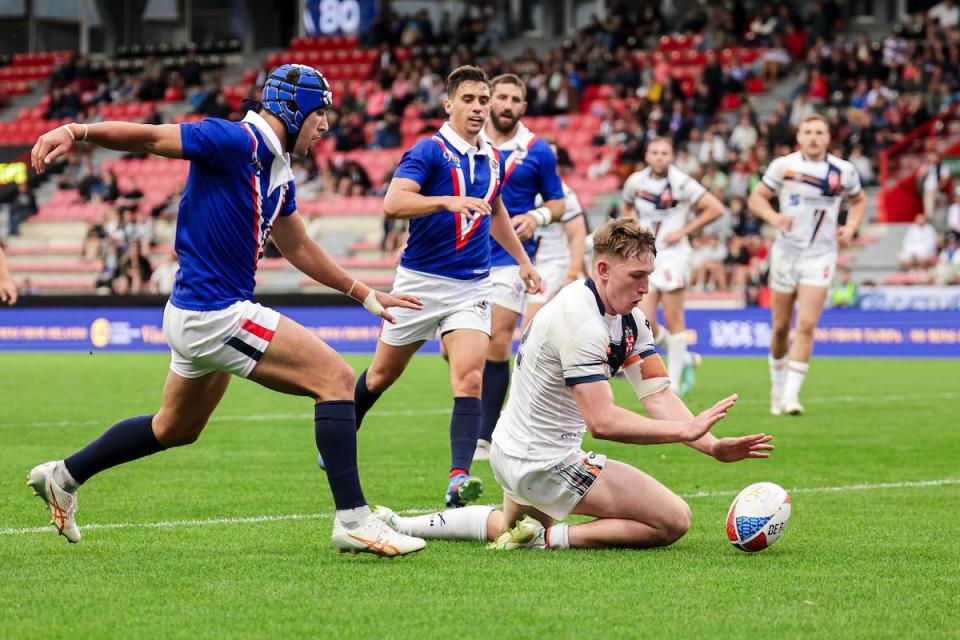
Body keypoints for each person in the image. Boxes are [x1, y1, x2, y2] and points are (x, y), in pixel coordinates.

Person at [25, 64, 427, 556]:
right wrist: (74, 129)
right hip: (215, 312)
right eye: (321, 112)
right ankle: (354, 520)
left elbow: (297, 244)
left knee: (174, 428)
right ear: (292, 108)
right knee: (338, 380)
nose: (327, 124)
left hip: (196, 313)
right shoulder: (236, 140)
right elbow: (152, 140)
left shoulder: (277, 167)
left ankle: (64, 475)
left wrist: (364, 292)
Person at [374, 218, 774, 550]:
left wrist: (712, 447)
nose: (646, 288)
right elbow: (602, 421)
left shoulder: (630, 320)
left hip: (513, 452)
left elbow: (658, 394)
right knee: (672, 520)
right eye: (636, 276)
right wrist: (683, 432)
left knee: (508, 526)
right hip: (545, 463)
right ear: (602, 270)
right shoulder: (580, 320)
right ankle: (547, 540)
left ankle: (403, 523)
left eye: (649, 276)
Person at [346, 66, 542, 508]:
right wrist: (445, 201)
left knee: (470, 377)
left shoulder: (490, 156)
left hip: (471, 285)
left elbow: (494, 212)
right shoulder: (428, 152)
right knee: (381, 375)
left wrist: (524, 262)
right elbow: (393, 203)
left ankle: (458, 478)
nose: (477, 107)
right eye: (469, 99)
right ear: (449, 104)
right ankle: (347, 423)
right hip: (419, 284)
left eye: (482, 100)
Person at [748, 113, 866, 416]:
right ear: (799, 137)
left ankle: (790, 396)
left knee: (807, 325)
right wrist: (774, 218)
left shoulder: (844, 170)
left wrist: (851, 227)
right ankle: (776, 387)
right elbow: (757, 198)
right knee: (780, 327)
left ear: (828, 137)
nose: (813, 137)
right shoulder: (784, 166)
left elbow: (859, 201)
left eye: (819, 132)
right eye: (808, 132)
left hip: (821, 254)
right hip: (787, 252)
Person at [474, 74, 565, 466]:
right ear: (490, 101)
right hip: (464, 254)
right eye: (502, 97)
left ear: (524, 107)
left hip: (511, 259)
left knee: (497, 340)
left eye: (516, 98)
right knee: (456, 348)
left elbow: (559, 203)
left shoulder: (538, 150)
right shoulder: (468, 142)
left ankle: (485, 435)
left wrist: (537, 215)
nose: (508, 104)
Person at [474, 178, 587, 461]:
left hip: (550, 270)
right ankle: (504, 408)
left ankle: (514, 414)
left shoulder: (563, 193)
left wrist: (573, 272)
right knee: (482, 342)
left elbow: (576, 234)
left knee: (530, 338)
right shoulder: (514, 187)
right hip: (512, 267)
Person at [621, 137, 724, 396]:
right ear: (647, 155)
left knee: (675, 318)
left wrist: (684, 231)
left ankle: (674, 383)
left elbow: (715, 208)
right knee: (644, 321)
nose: (659, 157)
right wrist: (632, 226)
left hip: (674, 255)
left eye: (664, 153)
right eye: (654, 152)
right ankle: (686, 358)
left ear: (671, 157)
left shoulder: (681, 182)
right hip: (644, 254)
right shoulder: (635, 181)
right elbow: (627, 205)